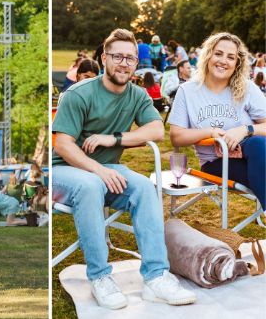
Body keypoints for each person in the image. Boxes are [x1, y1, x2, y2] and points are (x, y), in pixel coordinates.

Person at [52, 29, 196, 309]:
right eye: (117, 56)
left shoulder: (138, 95)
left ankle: (156, 277)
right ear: (104, 58)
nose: (124, 63)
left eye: (130, 58)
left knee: (144, 186)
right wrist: (99, 170)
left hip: (107, 169)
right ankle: (99, 277)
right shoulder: (78, 94)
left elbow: (156, 131)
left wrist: (115, 139)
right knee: (91, 184)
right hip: (64, 171)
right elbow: (63, 146)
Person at [169, 32, 266, 209]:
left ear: (237, 63)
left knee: (256, 143)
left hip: (256, 154)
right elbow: (176, 136)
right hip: (216, 162)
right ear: (208, 55)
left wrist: (245, 130)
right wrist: (211, 132)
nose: (223, 61)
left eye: (231, 57)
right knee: (259, 145)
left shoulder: (246, 88)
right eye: (218, 53)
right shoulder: (187, 91)